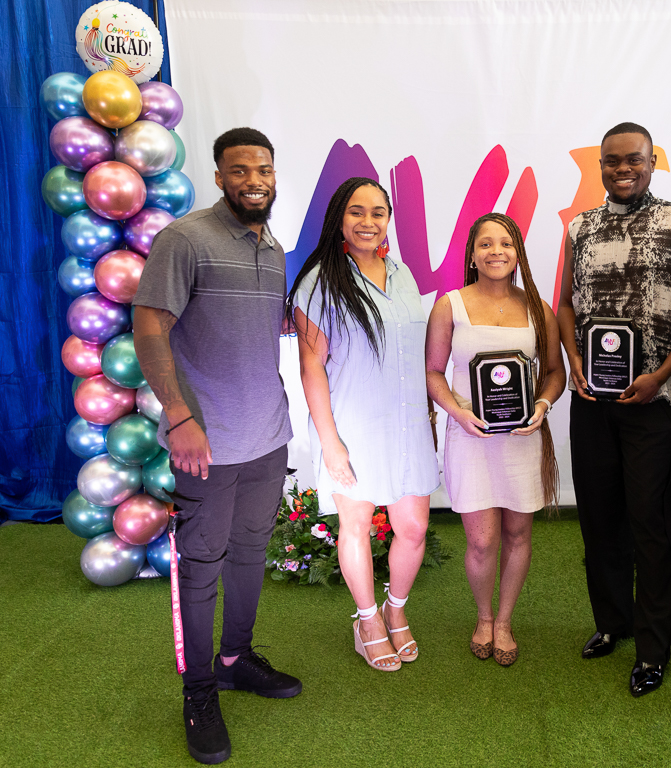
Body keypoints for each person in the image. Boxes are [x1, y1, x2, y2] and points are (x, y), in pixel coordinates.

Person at [134, 127, 301, 766]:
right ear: (219, 175)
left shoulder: (274, 247)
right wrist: (178, 416)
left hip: (266, 435)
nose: (253, 179)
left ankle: (235, 660)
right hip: (205, 442)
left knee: (251, 552)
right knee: (200, 568)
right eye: (239, 170)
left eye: (263, 168)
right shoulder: (186, 239)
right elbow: (150, 321)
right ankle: (199, 690)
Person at [556, 122, 671, 697]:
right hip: (591, 398)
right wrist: (574, 360)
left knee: (650, 526)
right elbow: (565, 305)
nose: (622, 170)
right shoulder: (580, 227)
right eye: (612, 162)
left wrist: (660, 375)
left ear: (653, 163)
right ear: (600, 166)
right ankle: (612, 623)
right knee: (600, 519)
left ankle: (653, 649)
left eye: (634, 160)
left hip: (654, 399)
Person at [288, 177, 439, 674]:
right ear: (340, 219)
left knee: (413, 526)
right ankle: (367, 619)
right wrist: (330, 445)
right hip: (350, 425)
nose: (368, 222)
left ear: (388, 218)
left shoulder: (402, 274)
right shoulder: (318, 283)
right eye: (357, 212)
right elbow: (312, 368)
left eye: (378, 212)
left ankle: (396, 608)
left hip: (407, 422)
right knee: (354, 525)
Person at [425, 213, 566, 667]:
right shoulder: (451, 305)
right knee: (482, 541)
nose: (496, 252)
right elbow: (433, 372)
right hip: (470, 437)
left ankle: (504, 622)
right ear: (472, 254)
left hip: (523, 439)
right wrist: (458, 413)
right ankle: (483, 617)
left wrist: (542, 406)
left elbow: (554, 373)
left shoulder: (537, 309)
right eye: (485, 244)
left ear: (517, 252)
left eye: (505, 243)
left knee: (517, 532)